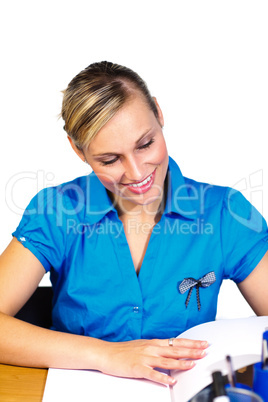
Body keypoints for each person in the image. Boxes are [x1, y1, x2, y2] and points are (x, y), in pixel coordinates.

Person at [0, 61, 267, 386]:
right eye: (110, 160)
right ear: (77, 149)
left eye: (145, 144)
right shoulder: (57, 210)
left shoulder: (225, 212)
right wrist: (106, 355)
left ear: (158, 113)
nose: (138, 173)